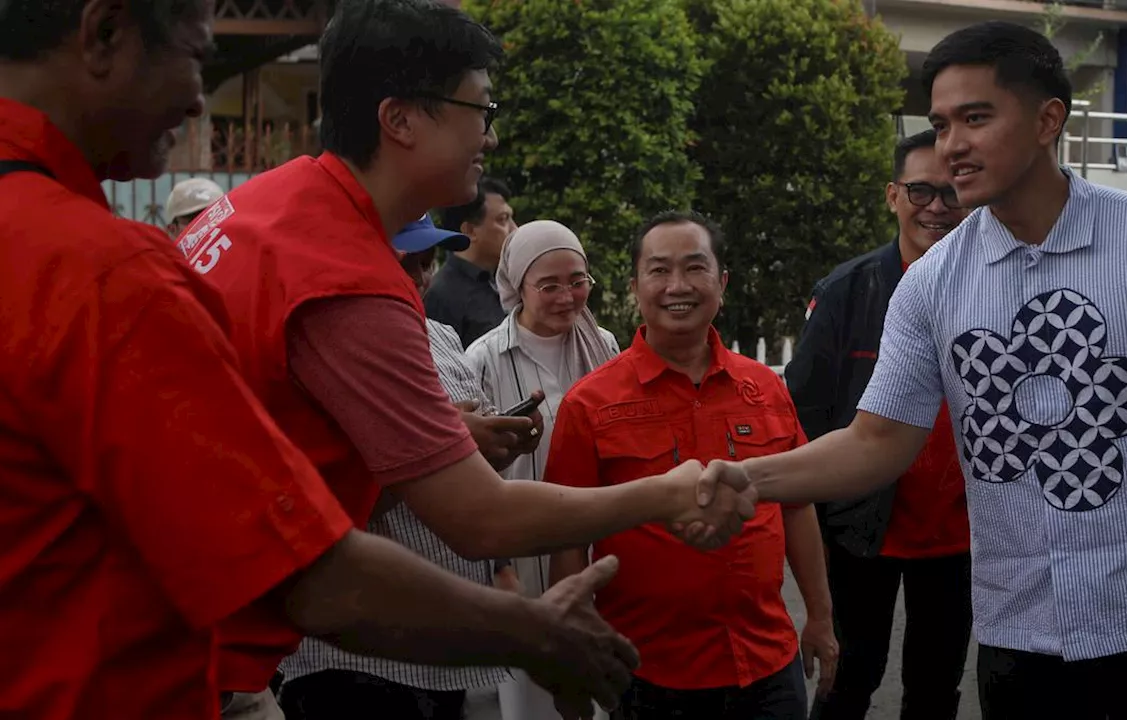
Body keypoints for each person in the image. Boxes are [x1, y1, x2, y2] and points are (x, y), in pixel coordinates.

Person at [0, 1, 653, 718]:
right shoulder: (107, 271)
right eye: (194, 56)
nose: (197, 97)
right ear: (105, 33)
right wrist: (537, 627)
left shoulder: (234, 218)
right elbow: (314, 570)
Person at [174, 2, 756, 716]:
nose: (491, 133)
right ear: (401, 119)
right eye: (479, 108)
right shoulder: (343, 275)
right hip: (184, 660)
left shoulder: (269, 203)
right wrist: (667, 494)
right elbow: (479, 518)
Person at [695, 20, 1127, 720]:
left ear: (1046, 120)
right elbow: (877, 440)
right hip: (1016, 640)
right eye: (940, 124)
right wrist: (748, 478)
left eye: (976, 117)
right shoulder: (933, 282)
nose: (952, 147)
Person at [544, 211, 838, 720]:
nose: (677, 286)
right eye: (659, 270)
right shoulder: (589, 404)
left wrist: (820, 616)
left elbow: (796, 507)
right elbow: (567, 536)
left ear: (721, 282)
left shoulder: (765, 389)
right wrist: (570, 653)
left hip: (766, 662)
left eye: (695, 268)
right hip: (647, 673)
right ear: (634, 285)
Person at [276, 216, 527, 720]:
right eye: (405, 259)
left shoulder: (441, 337)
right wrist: (445, 446)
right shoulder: (327, 342)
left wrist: (492, 448)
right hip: (359, 657)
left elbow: (465, 485)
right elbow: (327, 498)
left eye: (428, 259)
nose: (420, 274)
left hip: (446, 645)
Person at [788, 129, 972, 720]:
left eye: (952, 193)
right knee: (848, 678)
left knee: (936, 687)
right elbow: (806, 416)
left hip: (961, 534)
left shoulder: (997, 286)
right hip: (861, 526)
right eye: (922, 191)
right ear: (893, 195)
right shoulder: (846, 292)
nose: (937, 207)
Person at [465, 219, 622, 720]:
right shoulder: (484, 359)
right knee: (534, 703)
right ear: (518, 287)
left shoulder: (606, 348)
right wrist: (499, 570)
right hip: (525, 562)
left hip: (602, 551)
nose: (566, 296)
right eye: (548, 285)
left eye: (577, 281)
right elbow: (472, 478)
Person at [432, 176, 518, 346]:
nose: (515, 229)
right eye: (502, 219)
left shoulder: (510, 280)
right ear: (470, 230)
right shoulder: (441, 295)